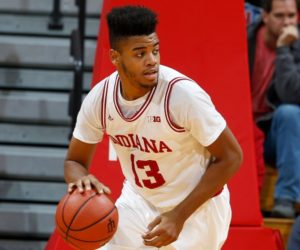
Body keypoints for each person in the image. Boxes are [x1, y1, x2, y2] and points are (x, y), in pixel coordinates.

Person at [65, 5, 243, 250]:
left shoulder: (181, 95)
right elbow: (74, 162)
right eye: (140, 54)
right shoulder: (100, 98)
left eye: (155, 51)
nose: (152, 61)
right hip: (138, 201)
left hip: (197, 210)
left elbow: (232, 156)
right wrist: (82, 181)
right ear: (115, 57)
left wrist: (178, 216)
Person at [247, 0, 300, 218]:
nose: (286, 22)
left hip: (273, 135)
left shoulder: (296, 46)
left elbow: (292, 95)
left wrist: (283, 50)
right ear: (265, 16)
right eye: (279, 16)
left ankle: (285, 198)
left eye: (291, 16)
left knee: (290, 113)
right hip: (240, 126)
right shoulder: (246, 38)